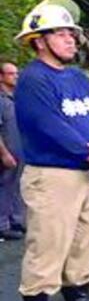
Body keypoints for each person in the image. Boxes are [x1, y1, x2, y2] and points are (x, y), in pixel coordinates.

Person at [13, 3, 89, 301]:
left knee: (82, 241)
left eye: (71, 33)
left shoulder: (77, 77)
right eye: (61, 34)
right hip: (52, 174)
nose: (71, 39)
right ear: (40, 41)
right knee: (48, 243)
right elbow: (49, 126)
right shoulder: (33, 80)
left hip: (85, 171)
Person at [0, 61, 24, 243]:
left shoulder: (15, 98)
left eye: (16, 73)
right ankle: (2, 225)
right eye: (11, 73)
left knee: (16, 186)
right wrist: (4, 153)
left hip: (19, 151)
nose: (16, 76)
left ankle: (16, 220)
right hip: (6, 151)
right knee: (4, 186)